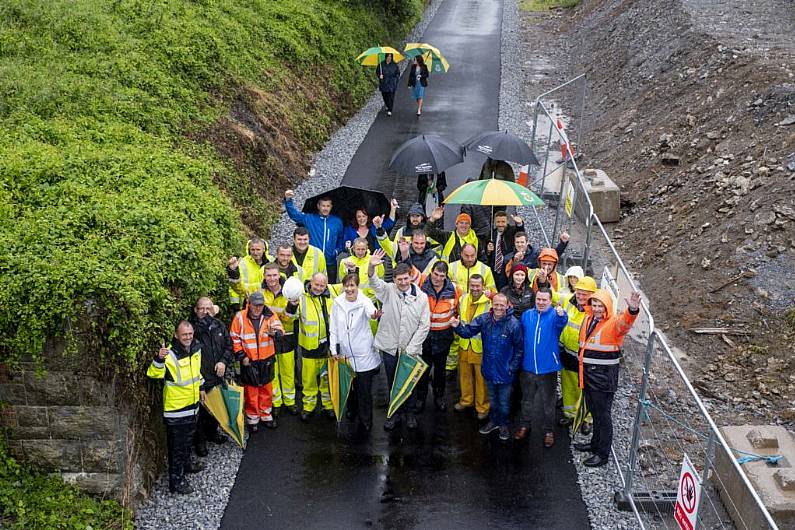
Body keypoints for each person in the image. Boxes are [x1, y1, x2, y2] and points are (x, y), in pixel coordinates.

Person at [574, 289, 641, 467]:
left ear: (607, 307)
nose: (596, 309)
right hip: (588, 376)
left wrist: (632, 310)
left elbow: (625, 323)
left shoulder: (612, 323)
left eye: (600, 306)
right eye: (594, 305)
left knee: (603, 417)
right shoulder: (588, 319)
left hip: (603, 379)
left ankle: (602, 454)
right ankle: (595, 444)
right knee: (595, 413)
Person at [368, 250, 430, 431]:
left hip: (410, 350)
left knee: (409, 383)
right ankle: (393, 413)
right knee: (392, 381)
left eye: (406, 278)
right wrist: (371, 265)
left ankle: (409, 413)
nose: (403, 282)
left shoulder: (422, 298)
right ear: (394, 280)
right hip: (390, 348)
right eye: (399, 279)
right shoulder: (388, 291)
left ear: (411, 277)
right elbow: (373, 281)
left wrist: (411, 348)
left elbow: (424, 326)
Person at [450, 293, 523, 441]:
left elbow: (519, 348)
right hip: (489, 369)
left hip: (505, 372)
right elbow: (467, 332)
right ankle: (494, 421)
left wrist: (512, 367)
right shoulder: (484, 319)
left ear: (507, 305)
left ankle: (503, 425)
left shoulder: (514, 324)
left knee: (504, 402)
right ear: (492, 304)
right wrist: (457, 326)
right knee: (493, 400)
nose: (498, 307)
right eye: (496, 304)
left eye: (502, 305)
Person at [147, 321, 206, 494]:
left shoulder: (195, 349)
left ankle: (186, 466)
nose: (188, 337)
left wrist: (201, 387)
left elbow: (196, 373)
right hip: (177, 409)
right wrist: (159, 359)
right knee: (177, 447)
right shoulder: (170, 355)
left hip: (192, 405)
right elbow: (154, 373)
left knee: (187, 441)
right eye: (184, 334)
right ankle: (176, 481)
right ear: (176, 335)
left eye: (190, 334)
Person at [329, 273, 382, 432]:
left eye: (352, 285)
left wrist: (375, 315)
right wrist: (333, 350)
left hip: (363, 354)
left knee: (364, 390)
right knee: (350, 387)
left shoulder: (364, 301)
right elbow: (333, 328)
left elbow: (371, 313)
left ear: (357, 286)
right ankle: (352, 411)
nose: (349, 289)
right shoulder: (337, 303)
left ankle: (366, 420)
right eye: (347, 286)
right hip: (345, 354)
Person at [515, 288, 568, 446]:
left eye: (544, 300)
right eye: (538, 299)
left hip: (548, 368)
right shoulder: (527, 315)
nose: (541, 302)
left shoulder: (554, 316)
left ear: (550, 301)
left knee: (548, 403)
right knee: (527, 400)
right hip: (528, 367)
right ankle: (525, 425)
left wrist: (561, 314)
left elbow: (562, 322)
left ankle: (548, 431)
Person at [286, 272, 339, 421]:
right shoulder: (301, 297)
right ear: (311, 282)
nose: (319, 288)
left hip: (327, 347)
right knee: (308, 381)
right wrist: (291, 305)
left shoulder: (331, 294)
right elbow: (290, 318)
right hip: (308, 348)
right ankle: (308, 407)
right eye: (317, 284)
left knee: (326, 380)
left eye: (322, 285)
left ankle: (328, 405)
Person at [230, 291, 283, 432]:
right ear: (249, 304)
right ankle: (253, 417)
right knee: (251, 390)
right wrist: (242, 356)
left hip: (267, 359)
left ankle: (266, 414)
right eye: (255, 305)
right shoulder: (240, 317)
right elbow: (234, 338)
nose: (258, 308)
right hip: (249, 360)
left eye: (260, 305)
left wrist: (275, 333)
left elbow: (280, 330)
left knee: (266, 388)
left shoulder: (270, 315)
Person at [189, 297, 233, 457]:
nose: (205, 312)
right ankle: (200, 441)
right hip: (201, 378)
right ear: (196, 310)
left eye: (208, 308)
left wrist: (223, 362)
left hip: (217, 376)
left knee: (216, 407)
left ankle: (212, 433)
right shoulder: (192, 330)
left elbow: (229, 346)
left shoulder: (219, 325)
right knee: (200, 413)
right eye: (202, 308)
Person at [417, 260, 461, 412]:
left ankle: (439, 396)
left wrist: (458, 320)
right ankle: (420, 398)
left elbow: (459, 308)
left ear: (445, 276)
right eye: (435, 274)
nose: (437, 278)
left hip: (443, 337)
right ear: (431, 272)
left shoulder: (455, 289)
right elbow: (408, 269)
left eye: (441, 276)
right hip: (425, 337)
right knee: (422, 370)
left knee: (440, 370)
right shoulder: (422, 284)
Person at [558, 276, 597, 432]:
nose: (581, 297)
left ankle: (587, 418)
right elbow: (553, 295)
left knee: (585, 390)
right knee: (568, 386)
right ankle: (570, 414)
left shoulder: (596, 310)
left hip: (585, 358)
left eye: (585, 294)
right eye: (579, 293)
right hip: (567, 354)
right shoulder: (568, 301)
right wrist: (542, 282)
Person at [451, 275, 491, 420]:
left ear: (483, 286)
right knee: (465, 375)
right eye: (472, 285)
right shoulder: (462, 299)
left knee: (481, 379)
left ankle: (482, 406)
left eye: (477, 286)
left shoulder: (489, 302)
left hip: (480, 346)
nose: (475, 288)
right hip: (464, 343)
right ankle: (466, 400)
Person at [262, 263, 298, 415]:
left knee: (288, 371)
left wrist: (290, 309)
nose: (272, 279)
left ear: (280, 275)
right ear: (264, 276)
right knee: (272, 371)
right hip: (267, 336)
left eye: (274, 275)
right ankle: (276, 402)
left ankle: (290, 401)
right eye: (269, 275)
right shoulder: (260, 292)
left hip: (286, 336)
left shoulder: (288, 291)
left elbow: (290, 319)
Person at [284, 190, 343, 282]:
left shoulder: (337, 222)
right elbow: (294, 215)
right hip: (313, 261)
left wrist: (336, 251)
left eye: (328, 206)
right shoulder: (309, 218)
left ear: (331, 207)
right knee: (311, 285)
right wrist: (288, 200)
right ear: (318, 206)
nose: (325, 208)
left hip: (330, 262)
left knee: (330, 287)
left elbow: (341, 239)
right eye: (323, 205)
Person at [503, 231, 569, 279]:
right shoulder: (507, 258)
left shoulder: (535, 253)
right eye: (517, 242)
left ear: (527, 242)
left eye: (522, 242)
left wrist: (563, 243)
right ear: (514, 243)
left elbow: (551, 256)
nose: (520, 245)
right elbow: (504, 278)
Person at [227, 238, 270, 312]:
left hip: (267, 303)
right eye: (253, 250)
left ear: (264, 249)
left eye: (258, 249)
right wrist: (235, 303)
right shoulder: (242, 263)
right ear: (249, 250)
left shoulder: (271, 261)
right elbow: (234, 284)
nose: (255, 253)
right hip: (246, 303)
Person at [485, 211, 524, 290]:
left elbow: (520, 232)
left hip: (507, 270)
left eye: (503, 222)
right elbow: (487, 255)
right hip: (494, 270)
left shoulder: (512, 231)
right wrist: (488, 251)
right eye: (498, 222)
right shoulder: (492, 234)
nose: (500, 224)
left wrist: (519, 224)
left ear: (507, 222)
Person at [338, 237, 384, 303]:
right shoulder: (345, 262)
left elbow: (381, 280)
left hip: (372, 300)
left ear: (367, 248)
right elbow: (342, 282)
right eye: (358, 249)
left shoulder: (374, 260)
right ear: (353, 248)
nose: (360, 252)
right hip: (352, 299)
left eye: (363, 249)